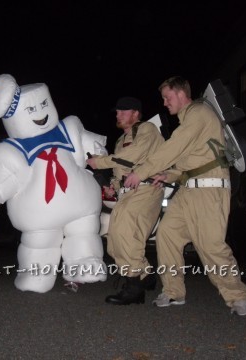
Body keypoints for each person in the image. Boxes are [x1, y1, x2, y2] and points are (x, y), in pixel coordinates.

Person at [124, 76, 246, 315]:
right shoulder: (190, 120)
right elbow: (188, 159)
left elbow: (174, 147)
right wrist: (169, 175)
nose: (164, 103)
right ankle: (173, 292)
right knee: (167, 235)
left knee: (210, 245)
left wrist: (141, 173)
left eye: (167, 97)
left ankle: (237, 295)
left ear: (181, 94)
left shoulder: (199, 113)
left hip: (209, 189)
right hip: (189, 189)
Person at [87, 96, 165, 305]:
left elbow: (134, 155)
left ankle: (134, 288)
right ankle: (146, 275)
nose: (118, 114)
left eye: (123, 111)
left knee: (126, 234)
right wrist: (111, 186)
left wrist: (99, 162)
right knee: (114, 239)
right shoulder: (121, 141)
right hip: (127, 194)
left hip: (146, 189)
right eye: (117, 111)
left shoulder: (146, 129)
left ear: (136, 114)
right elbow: (120, 170)